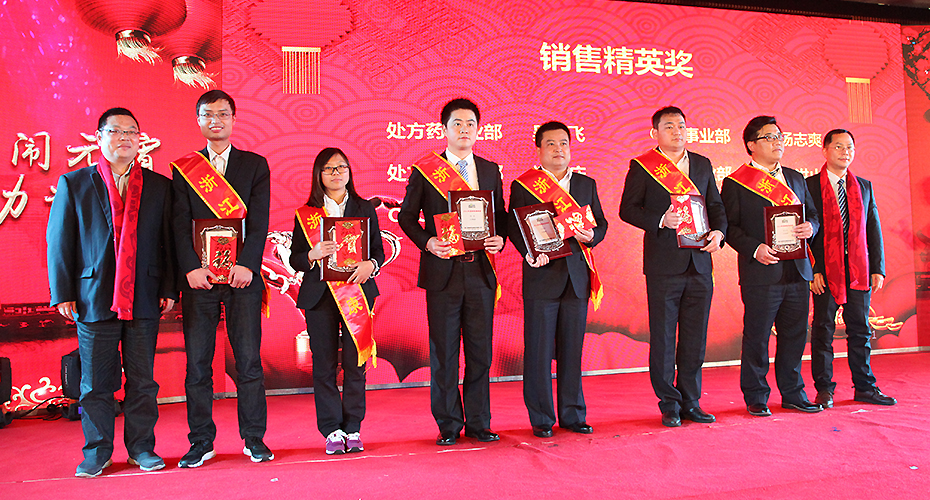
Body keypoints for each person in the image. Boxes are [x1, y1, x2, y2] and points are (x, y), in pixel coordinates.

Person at [47, 107, 177, 477]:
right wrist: (62, 292)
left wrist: (169, 287)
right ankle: (97, 451)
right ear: (99, 137)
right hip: (93, 296)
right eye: (116, 131)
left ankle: (141, 448)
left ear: (140, 140)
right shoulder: (75, 183)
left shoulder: (158, 186)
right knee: (95, 385)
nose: (124, 138)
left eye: (131, 132)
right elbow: (59, 241)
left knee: (143, 381)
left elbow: (168, 242)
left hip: (144, 295)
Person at [172, 90, 273, 466]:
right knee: (198, 365)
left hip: (242, 279)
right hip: (200, 281)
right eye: (208, 114)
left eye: (223, 114)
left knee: (248, 362)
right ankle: (201, 441)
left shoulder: (255, 165)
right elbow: (178, 223)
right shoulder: (185, 168)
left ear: (234, 118)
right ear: (198, 120)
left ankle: (254, 438)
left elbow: (259, 221)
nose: (215, 120)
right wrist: (190, 268)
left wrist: (248, 264)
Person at [398, 98, 507, 445]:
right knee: (444, 353)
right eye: (457, 124)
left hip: (480, 273)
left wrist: (500, 238)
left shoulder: (490, 170)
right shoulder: (425, 170)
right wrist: (428, 242)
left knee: (480, 352)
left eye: (470, 123)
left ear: (478, 129)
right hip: (443, 273)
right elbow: (405, 217)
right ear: (444, 129)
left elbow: (500, 216)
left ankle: (479, 422)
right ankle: (448, 424)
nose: (464, 130)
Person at [619, 107, 727, 427]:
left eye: (681, 125)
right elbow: (627, 209)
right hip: (664, 265)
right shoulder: (643, 166)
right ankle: (669, 403)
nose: (677, 131)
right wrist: (660, 220)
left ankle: (691, 400)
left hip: (700, 262)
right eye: (669, 126)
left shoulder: (702, 163)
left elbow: (716, 206)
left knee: (695, 336)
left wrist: (719, 233)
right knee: (664, 337)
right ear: (655, 133)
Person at [509, 121, 608, 438]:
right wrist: (529, 253)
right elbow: (514, 227)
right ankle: (541, 418)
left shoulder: (585, 184)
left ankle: (573, 414)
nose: (558, 149)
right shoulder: (524, 185)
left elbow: (601, 223)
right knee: (538, 352)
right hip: (542, 276)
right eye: (551, 144)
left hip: (577, 279)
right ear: (539, 149)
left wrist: (591, 236)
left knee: (572, 351)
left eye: (563, 143)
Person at [721, 115, 822, 417]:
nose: (777, 142)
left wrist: (811, 228)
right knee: (758, 336)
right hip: (762, 271)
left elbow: (813, 215)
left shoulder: (795, 178)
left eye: (779, 136)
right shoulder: (735, 183)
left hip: (797, 270)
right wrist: (755, 249)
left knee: (794, 335)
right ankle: (756, 395)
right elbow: (730, 227)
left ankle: (793, 393)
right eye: (769, 137)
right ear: (751, 145)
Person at [289, 147, 385, 454]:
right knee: (324, 365)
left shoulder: (364, 207)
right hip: (319, 297)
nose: (336, 173)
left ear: (349, 172)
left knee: (356, 364)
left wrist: (371, 265)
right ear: (319, 174)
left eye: (341, 167)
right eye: (329, 168)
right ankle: (332, 429)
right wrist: (312, 254)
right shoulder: (306, 213)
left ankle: (353, 427)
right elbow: (295, 259)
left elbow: (378, 251)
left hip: (356, 294)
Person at [807, 129, 895, 407]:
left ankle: (865, 387)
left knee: (860, 329)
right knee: (823, 330)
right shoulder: (809, 186)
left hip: (858, 269)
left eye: (850, 147)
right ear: (825, 150)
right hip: (825, 271)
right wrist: (813, 270)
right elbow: (806, 234)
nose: (845, 152)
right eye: (838, 146)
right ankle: (824, 389)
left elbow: (873, 228)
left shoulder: (864, 186)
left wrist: (877, 268)